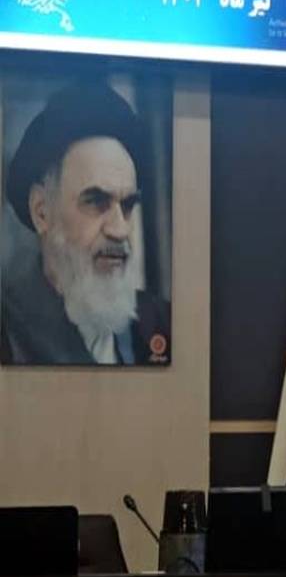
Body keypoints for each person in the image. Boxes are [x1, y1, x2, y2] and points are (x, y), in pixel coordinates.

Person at [1, 80, 170, 365]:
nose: (120, 229)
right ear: (42, 212)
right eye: (96, 202)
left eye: (127, 205)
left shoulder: (161, 322)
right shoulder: (8, 334)